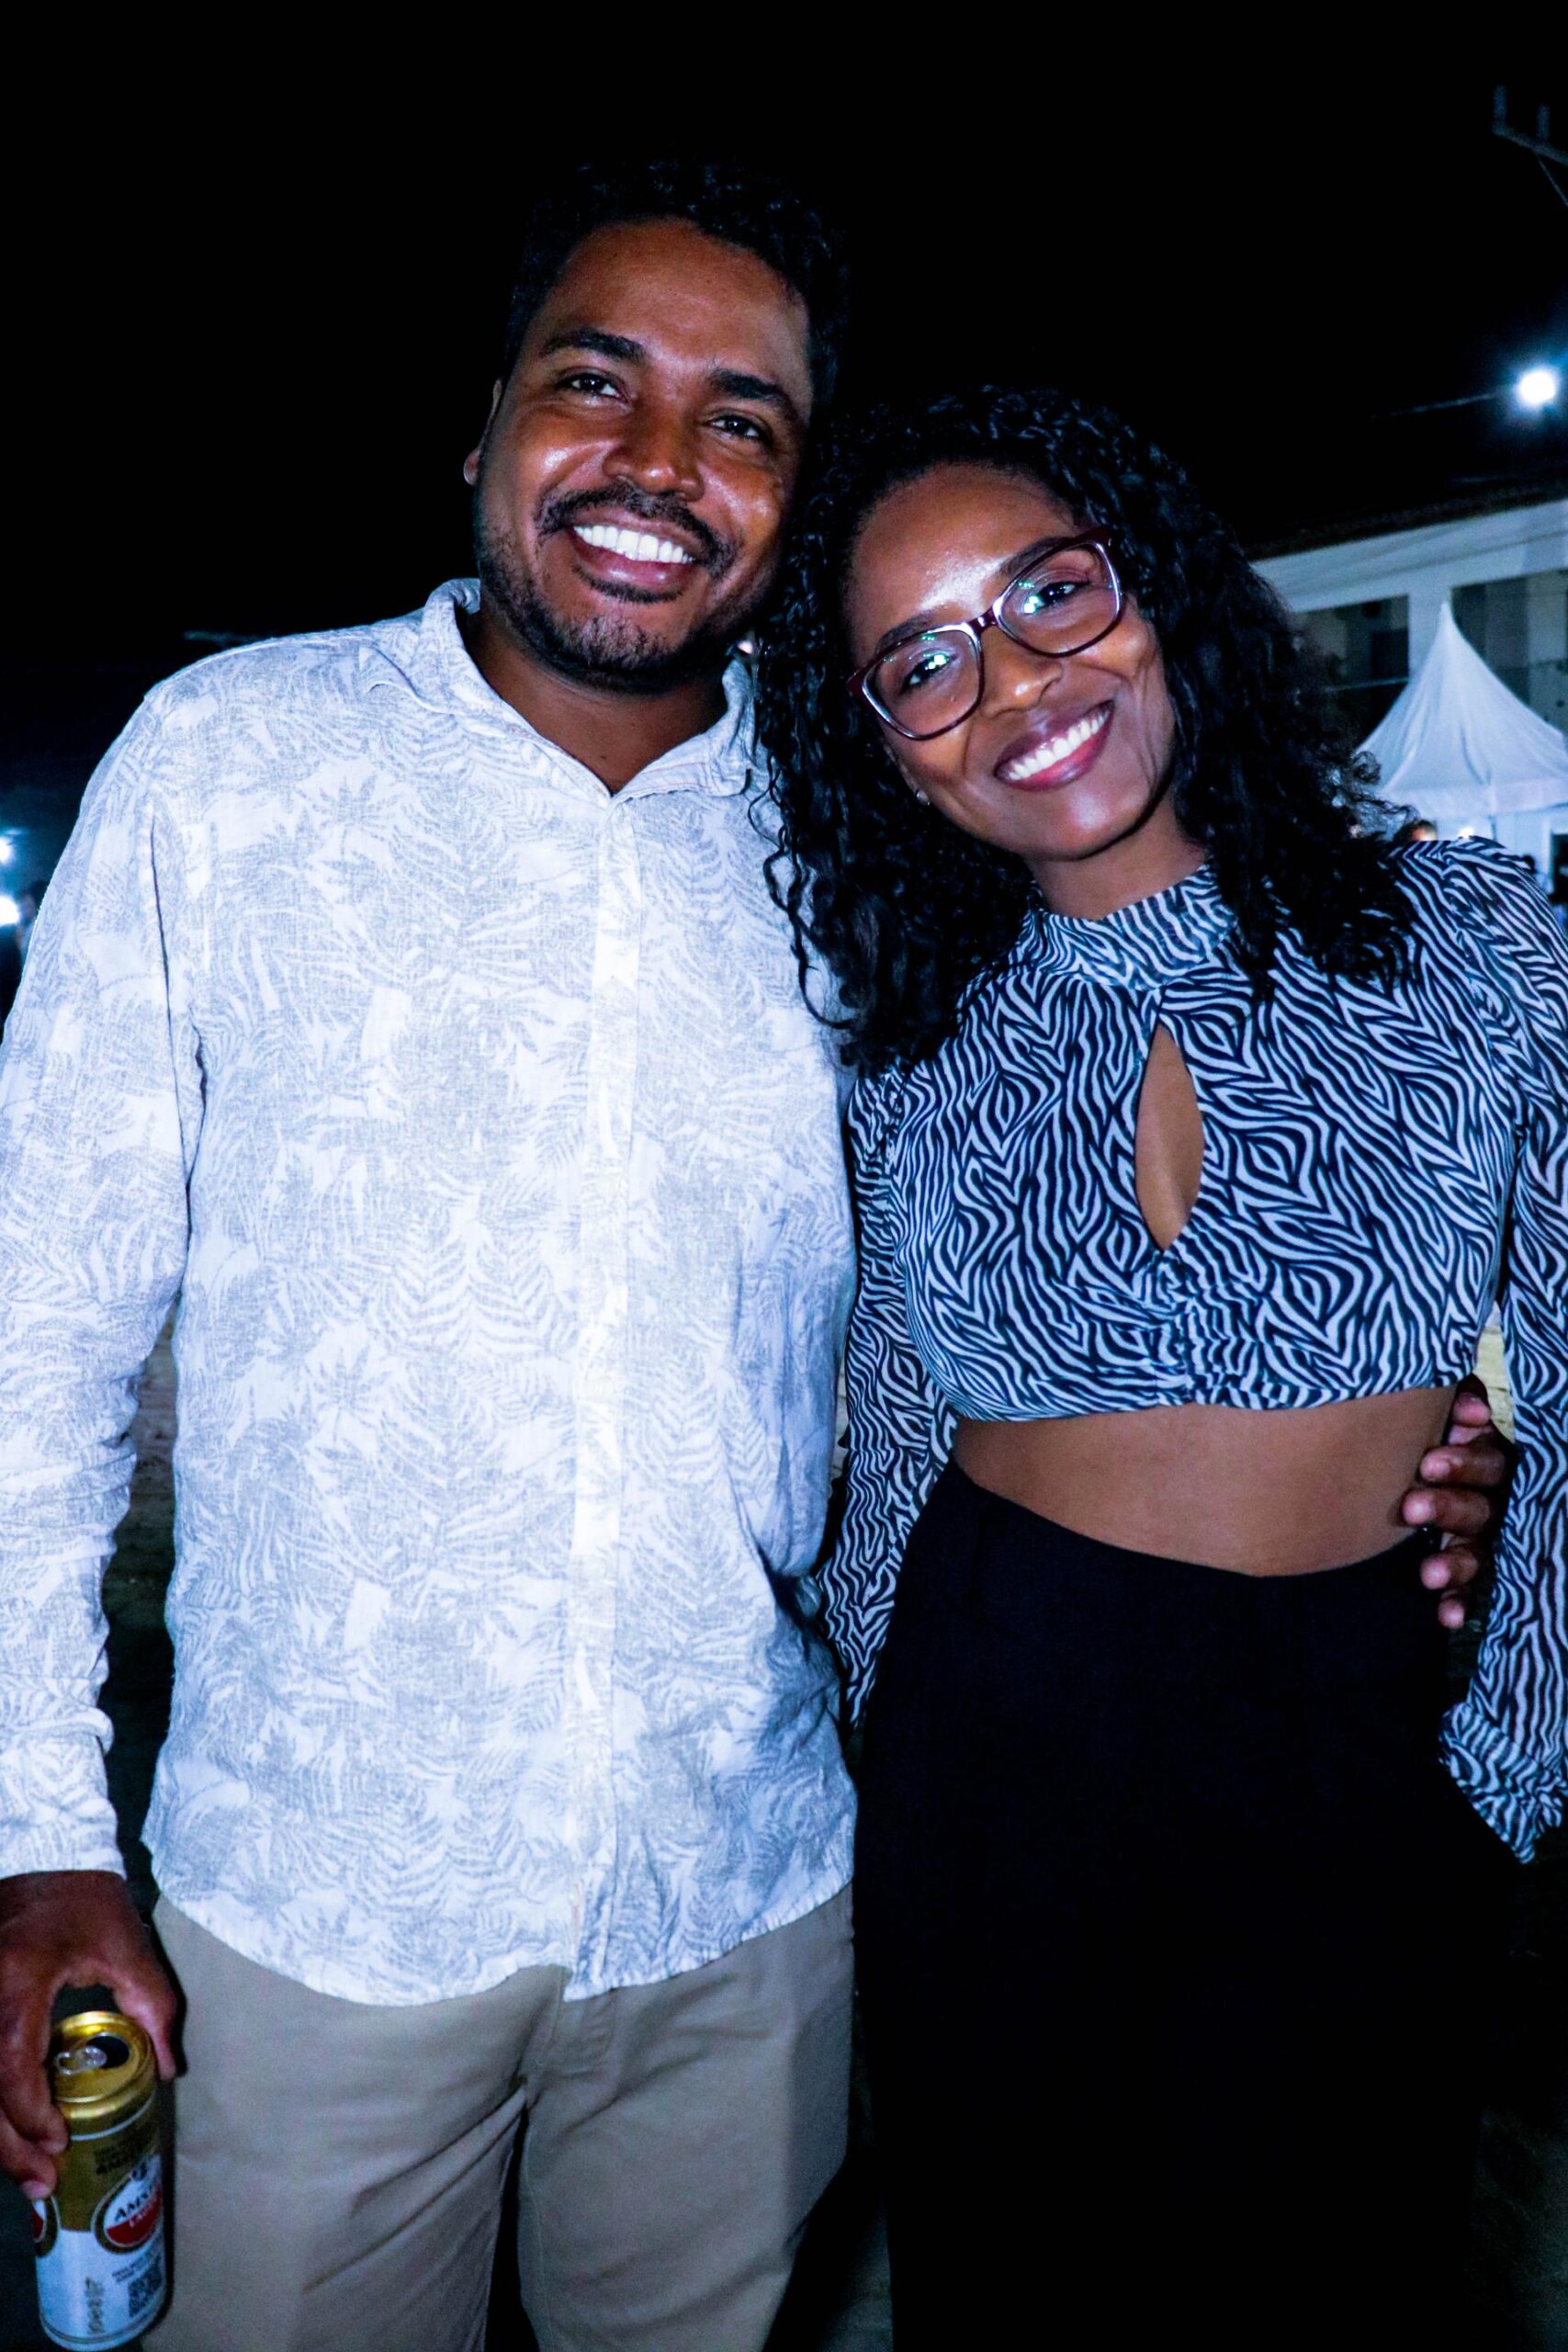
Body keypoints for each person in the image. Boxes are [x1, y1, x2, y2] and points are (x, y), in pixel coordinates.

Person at [0, 175, 1506, 2352]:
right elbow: (37, 1328)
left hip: (751, 1901)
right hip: (325, 1909)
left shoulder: (865, 847)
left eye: (741, 420)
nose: (655, 460)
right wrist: (37, 1830)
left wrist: (1429, 1460)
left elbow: (1029, 1273)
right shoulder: (232, 764)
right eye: (593, 382)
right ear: (484, 424)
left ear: (792, 510)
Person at [754, 387, 1561, 2349]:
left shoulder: (1476, 939)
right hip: (1001, 1735)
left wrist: (1509, 1716)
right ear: (886, 754)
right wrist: (879, 1718)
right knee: (1015, 2292)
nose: (1013, 682)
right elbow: (889, 1422)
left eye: (1051, 592)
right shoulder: (907, 1041)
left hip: (1363, 1733)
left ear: (1158, 588)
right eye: (921, 663)